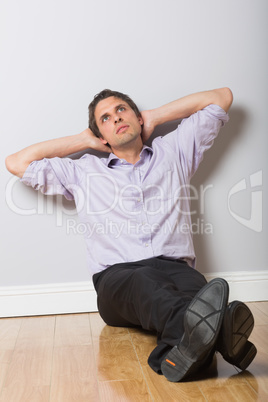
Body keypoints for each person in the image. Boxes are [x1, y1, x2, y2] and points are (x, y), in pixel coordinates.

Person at [5, 87, 257, 382]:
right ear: (101, 135)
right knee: (149, 283)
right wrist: (84, 140)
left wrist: (152, 117)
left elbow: (222, 97)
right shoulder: (83, 172)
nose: (117, 118)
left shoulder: (174, 150)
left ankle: (178, 355)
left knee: (196, 292)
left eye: (122, 110)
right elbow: (16, 163)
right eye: (105, 119)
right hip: (118, 280)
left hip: (178, 270)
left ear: (137, 118)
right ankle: (221, 338)